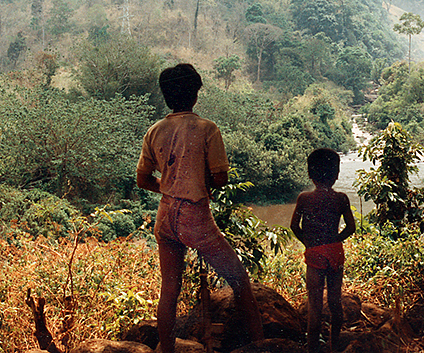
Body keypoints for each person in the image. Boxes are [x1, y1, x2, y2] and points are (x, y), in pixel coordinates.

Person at [136, 63, 264, 353]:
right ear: (195, 95)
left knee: (169, 289)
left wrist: (170, 188)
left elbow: (143, 179)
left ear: (166, 96)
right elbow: (220, 177)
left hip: (166, 215)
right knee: (239, 279)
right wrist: (194, 185)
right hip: (195, 216)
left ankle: (166, 349)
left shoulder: (154, 131)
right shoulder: (207, 128)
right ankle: (261, 345)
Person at [290, 148, 355, 353]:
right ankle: (335, 346)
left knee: (315, 306)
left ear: (310, 174)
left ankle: (312, 349)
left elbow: (294, 226)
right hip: (335, 252)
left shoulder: (304, 198)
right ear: (336, 174)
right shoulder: (341, 198)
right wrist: (335, 240)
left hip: (315, 253)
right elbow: (351, 228)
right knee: (335, 302)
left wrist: (308, 243)